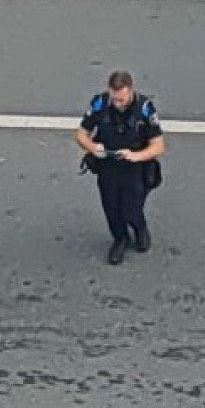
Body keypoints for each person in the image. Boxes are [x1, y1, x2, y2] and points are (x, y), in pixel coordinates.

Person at [75, 70, 166, 265]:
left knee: (131, 210)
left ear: (131, 91)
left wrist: (136, 156)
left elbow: (158, 145)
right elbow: (82, 134)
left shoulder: (144, 108)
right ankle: (120, 239)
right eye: (115, 99)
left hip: (134, 169)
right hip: (108, 166)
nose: (118, 103)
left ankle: (140, 227)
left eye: (122, 99)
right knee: (112, 210)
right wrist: (93, 147)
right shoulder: (99, 103)